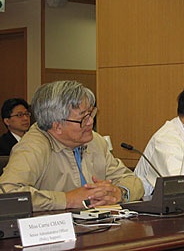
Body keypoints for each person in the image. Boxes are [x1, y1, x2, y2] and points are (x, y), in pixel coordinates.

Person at [0, 81, 144, 211]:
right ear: (57, 127)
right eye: (83, 118)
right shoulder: (33, 147)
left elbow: (133, 181)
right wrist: (66, 199)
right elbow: (8, 194)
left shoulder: (95, 141)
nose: (91, 122)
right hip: (51, 233)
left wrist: (120, 193)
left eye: (91, 113)